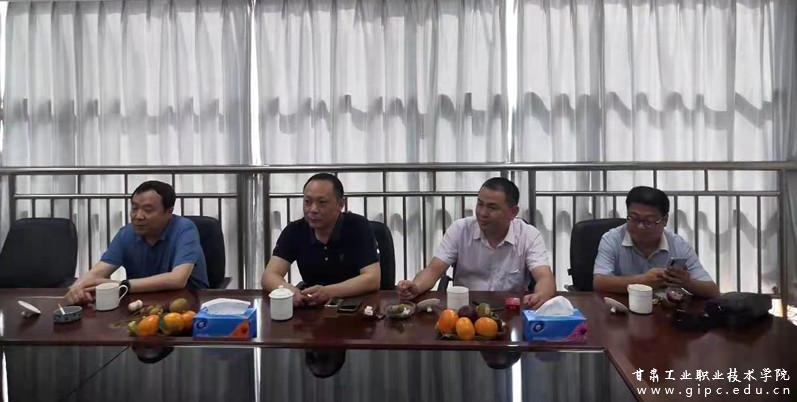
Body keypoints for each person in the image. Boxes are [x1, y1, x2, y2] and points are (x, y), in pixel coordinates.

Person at [397, 177, 556, 308]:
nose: (482, 213)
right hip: (465, 311)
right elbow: (433, 270)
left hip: (510, 311)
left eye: (492, 207)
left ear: (513, 212)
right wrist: (416, 286)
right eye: (480, 204)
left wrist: (541, 295)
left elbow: (545, 277)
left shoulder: (528, 235)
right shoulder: (460, 229)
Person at [65, 180, 209, 305]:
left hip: (187, 302)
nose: (138, 216)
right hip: (141, 304)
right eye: (134, 208)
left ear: (169, 211)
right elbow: (98, 272)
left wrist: (122, 285)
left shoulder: (185, 229)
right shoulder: (126, 233)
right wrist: (78, 288)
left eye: (148, 210)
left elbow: (177, 279)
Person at [261, 173, 380, 307]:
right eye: (307, 202)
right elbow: (269, 276)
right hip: (311, 306)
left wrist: (328, 292)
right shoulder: (294, 230)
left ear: (340, 204)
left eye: (322, 202)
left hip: (354, 305)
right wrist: (289, 291)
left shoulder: (358, 226)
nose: (313, 209)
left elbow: (372, 279)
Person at [593, 186, 720, 298]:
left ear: (665, 220)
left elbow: (713, 291)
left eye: (649, 221)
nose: (640, 226)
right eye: (634, 218)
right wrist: (642, 281)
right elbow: (599, 282)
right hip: (621, 308)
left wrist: (688, 283)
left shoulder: (678, 245)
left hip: (663, 312)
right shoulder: (612, 239)